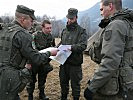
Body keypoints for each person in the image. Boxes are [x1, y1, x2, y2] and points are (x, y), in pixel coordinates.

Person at [0, 5, 58, 100]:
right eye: (31, 21)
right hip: (9, 79)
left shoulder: (3, 29)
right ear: (23, 19)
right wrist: (50, 53)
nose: (32, 23)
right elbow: (36, 58)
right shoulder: (23, 35)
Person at [84, 0, 133, 100]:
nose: (101, 13)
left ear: (110, 6)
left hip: (116, 87)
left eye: (102, 9)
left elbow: (110, 61)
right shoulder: (128, 23)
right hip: (127, 82)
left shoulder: (115, 26)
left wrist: (92, 87)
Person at [58, 8, 87, 100]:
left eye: (72, 18)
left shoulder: (82, 31)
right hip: (64, 63)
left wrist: (70, 47)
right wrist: (56, 48)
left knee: (75, 86)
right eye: (68, 18)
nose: (70, 20)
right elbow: (61, 43)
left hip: (75, 64)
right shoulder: (64, 31)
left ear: (76, 18)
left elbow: (83, 46)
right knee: (63, 84)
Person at [27, 20, 55, 100]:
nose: (49, 30)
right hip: (34, 62)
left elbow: (53, 48)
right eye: (47, 28)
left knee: (42, 79)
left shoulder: (51, 37)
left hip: (44, 62)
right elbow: (30, 50)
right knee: (31, 80)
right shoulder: (34, 36)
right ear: (42, 28)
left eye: (50, 28)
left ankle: (41, 94)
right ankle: (30, 96)